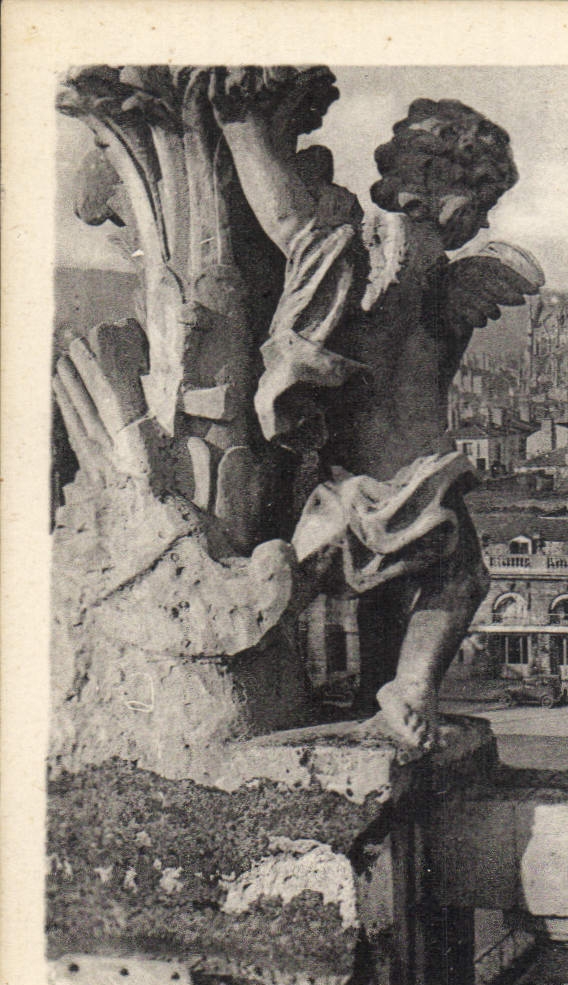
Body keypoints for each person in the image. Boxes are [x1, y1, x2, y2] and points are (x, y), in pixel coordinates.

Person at [213, 72, 542, 749]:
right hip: (382, 473)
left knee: (436, 579)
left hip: (408, 466)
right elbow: (290, 224)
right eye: (480, 203)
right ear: (441, 189)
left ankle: (394, 690)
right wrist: (241, 127)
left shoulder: (422, 272)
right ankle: (398, 687)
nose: (482, 221)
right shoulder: (368, 252)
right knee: (443, 577)